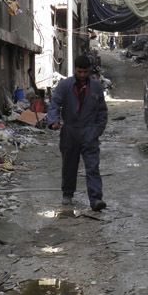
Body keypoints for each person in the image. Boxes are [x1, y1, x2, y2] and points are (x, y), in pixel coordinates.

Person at [48, 55, 108, 211]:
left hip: (89, 132)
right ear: (75, 69)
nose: (82, 75)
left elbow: (102, 111)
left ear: (88, 71)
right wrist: (53, 121)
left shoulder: (96, 87)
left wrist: (97, 130)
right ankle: (67, 194)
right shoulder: (65, 86)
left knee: (92, 167)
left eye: (85, 72)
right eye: (80, 71)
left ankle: (95, 199)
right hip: (70, 131)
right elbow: (54, 104)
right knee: (69, 165)